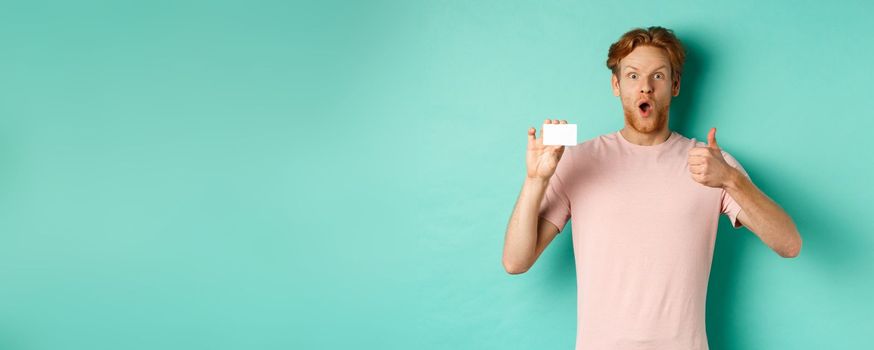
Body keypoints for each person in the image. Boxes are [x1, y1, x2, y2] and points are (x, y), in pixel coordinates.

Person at [501, 26, 802, 350]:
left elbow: (789, 244)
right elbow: (515, 262)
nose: (645, 87)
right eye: (632, 76)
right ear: (616, 85)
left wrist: (731, 180)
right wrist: (536, 180)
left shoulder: (713, 164)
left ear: (674, 85)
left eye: (657, 76)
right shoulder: (578, 160)